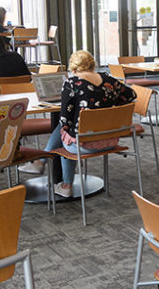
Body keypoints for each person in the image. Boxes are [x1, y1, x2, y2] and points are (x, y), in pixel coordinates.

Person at [18, 51, 136, 198]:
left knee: (64, 132)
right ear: (93, 65)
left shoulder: (72, 84)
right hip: (110, 140)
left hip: (83, 146)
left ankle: (65, 184)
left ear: (73, 70)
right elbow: (131, 95)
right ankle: (40, 163)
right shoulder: (110, 81)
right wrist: (110, 107)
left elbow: (64, 121)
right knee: (69, 128)